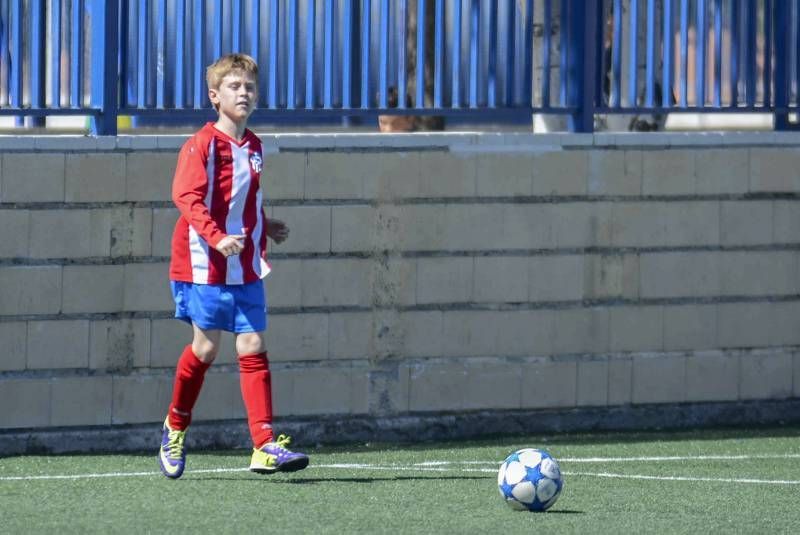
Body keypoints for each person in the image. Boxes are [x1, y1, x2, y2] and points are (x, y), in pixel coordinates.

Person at [158, 53, 308, 479]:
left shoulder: (255, 146)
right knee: (205, 349)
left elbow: (244, 200)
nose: (243, 93)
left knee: (253, 346)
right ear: (214, 96)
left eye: (249, 88)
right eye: (234, 87)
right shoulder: (201, 144)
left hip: (245, 265)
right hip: (204, 264)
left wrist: (265, 224)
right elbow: (185, 197)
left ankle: (263, 445)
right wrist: (217, 236)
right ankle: (175, 426)